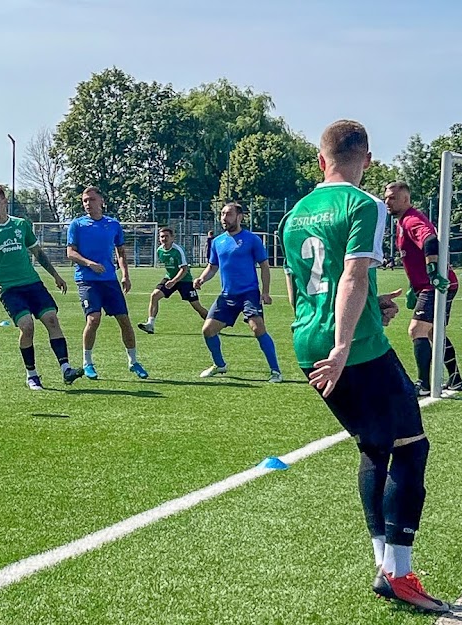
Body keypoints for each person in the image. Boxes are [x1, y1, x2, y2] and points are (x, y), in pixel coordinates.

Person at [279, 119, 449, 613]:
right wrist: (343, 344)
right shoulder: (365, 205)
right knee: (412, 449)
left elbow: (308, 286)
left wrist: (369, 310)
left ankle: (384, 565)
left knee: (375, 448)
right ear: (367, 160)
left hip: (306, 340)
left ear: (320, 160)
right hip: (352, 349)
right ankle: (398, 573)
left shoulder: (295, 215)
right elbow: (350, 278)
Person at [0, 184, 83, 390]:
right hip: (9, 288)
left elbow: (37, 252)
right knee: (27, 326)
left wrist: (55, 275)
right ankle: (31, 375)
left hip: (32, 283)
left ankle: (66, 369)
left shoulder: (21, 225)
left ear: (4, 201)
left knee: (51, 320)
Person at [384, 181, 460, 394]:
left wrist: (434, 273)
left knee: (417, 330)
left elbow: (430, 240)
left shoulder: (411, 220)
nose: (387, 201)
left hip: (435, 285)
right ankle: (455, 379)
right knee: (434, 332)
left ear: (406, 200)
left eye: (392, 198)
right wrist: (412, 286)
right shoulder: (402, 222)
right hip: (427, 285)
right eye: (386, 197)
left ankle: (424, 385)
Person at [193, 203, 282, 382]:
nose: (224, 218)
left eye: (229, 214)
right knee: (208, 330)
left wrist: (265, 292)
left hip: (249, 293)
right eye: (222, 214)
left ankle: (275, 371)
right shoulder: (217, 242)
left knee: (258, 328)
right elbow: (212, 266)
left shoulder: (252, 239)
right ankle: (219, 365)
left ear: (239, 217)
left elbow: (264, 266)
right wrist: (202, 278)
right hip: (227, 296)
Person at [66, 186, 148, 380]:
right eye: (85, 200)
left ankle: (133, 362)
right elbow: (70, 252)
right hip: (87, 280)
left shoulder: (113, 225)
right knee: (93, 319)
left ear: (101, 201)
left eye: (91, 199)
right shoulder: (77, 225)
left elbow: (121, 252)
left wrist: (126, 275)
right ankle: (87, 363)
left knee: (125, 321)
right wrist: (89, 264)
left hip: (109, 280)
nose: (88, 203)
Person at [138, 227, 207, 334]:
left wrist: (174, 281)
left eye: (166, 236)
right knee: (154, 296)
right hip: (169, 278)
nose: (164, 238)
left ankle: (212, 324)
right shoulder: (159, 250)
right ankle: (150, 324)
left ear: (172, 238)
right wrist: (171, 280)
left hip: (185, 280)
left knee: (196, 306)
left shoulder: (178, 250)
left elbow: (184, 269)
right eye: (162, 236)